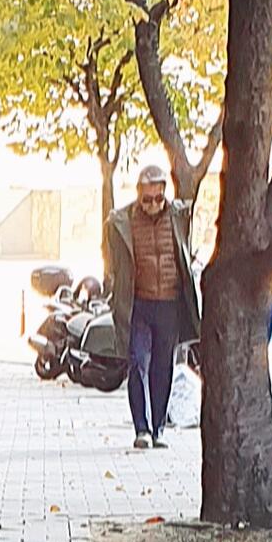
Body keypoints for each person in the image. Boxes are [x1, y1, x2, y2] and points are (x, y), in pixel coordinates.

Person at [106, 163, 200, 450]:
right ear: (138, 194)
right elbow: (113, 261)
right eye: (147, 199)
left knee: (163, 368)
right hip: (138, 303)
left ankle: (158, 427)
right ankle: (142, 429)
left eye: (158, 198)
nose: (153, 205)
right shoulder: (122, 221)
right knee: (137, 363)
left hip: (169, 303)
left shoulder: (177, 217)